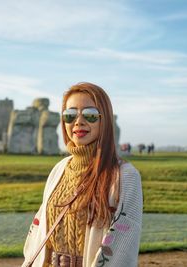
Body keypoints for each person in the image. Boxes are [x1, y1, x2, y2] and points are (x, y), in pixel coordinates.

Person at [22, 82, 143, 267]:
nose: (78, 121)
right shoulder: (59, 169)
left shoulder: (125, 176)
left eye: (90, 115)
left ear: (105, 120)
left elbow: (122, 245)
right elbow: (40, 231)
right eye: (70, 115)